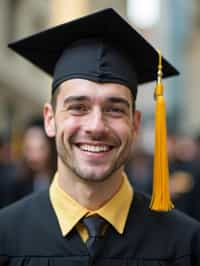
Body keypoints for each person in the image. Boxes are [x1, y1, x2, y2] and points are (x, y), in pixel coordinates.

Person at [0, 8, 200, 266]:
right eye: (78, 107)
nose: (96, 126)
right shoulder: (5, 238)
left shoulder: (185, 244)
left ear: (135, 123)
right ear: (50, 119)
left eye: (114, 109)